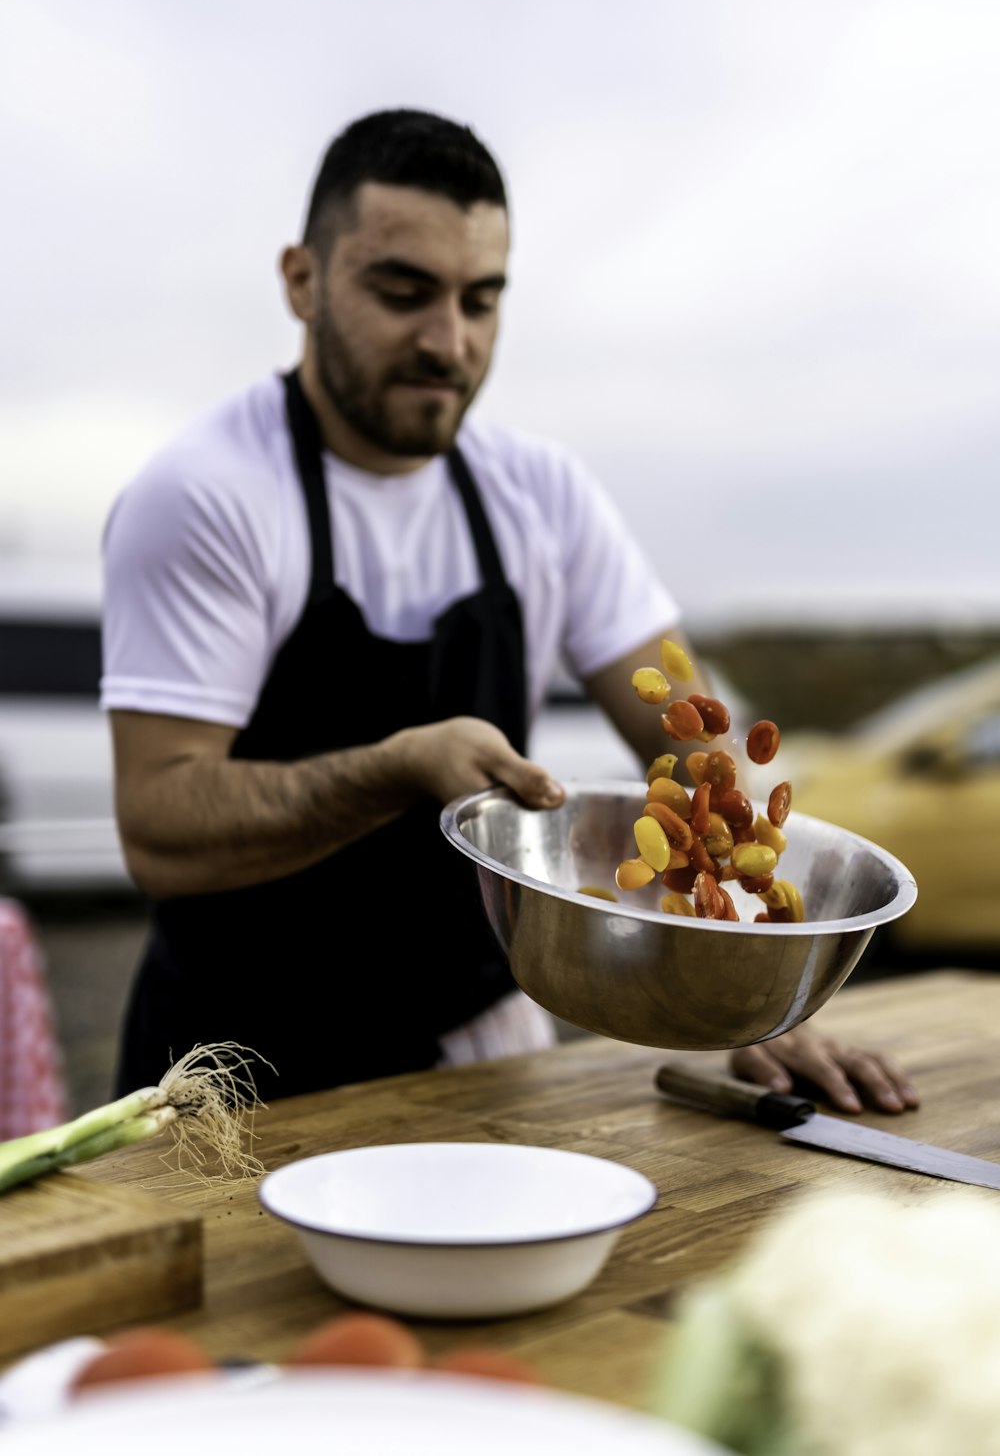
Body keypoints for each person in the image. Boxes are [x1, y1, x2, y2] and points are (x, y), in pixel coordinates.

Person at [100, 107, 918, 1116]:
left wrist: (757, 988)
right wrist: (396, 768)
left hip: (476, 1047)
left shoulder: (543, 495)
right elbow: (160, 824)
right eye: (403, 293)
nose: (449, 342)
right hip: (232, 1071)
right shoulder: (208, 493)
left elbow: (692, 740)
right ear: (301, 282)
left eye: (481, 300)